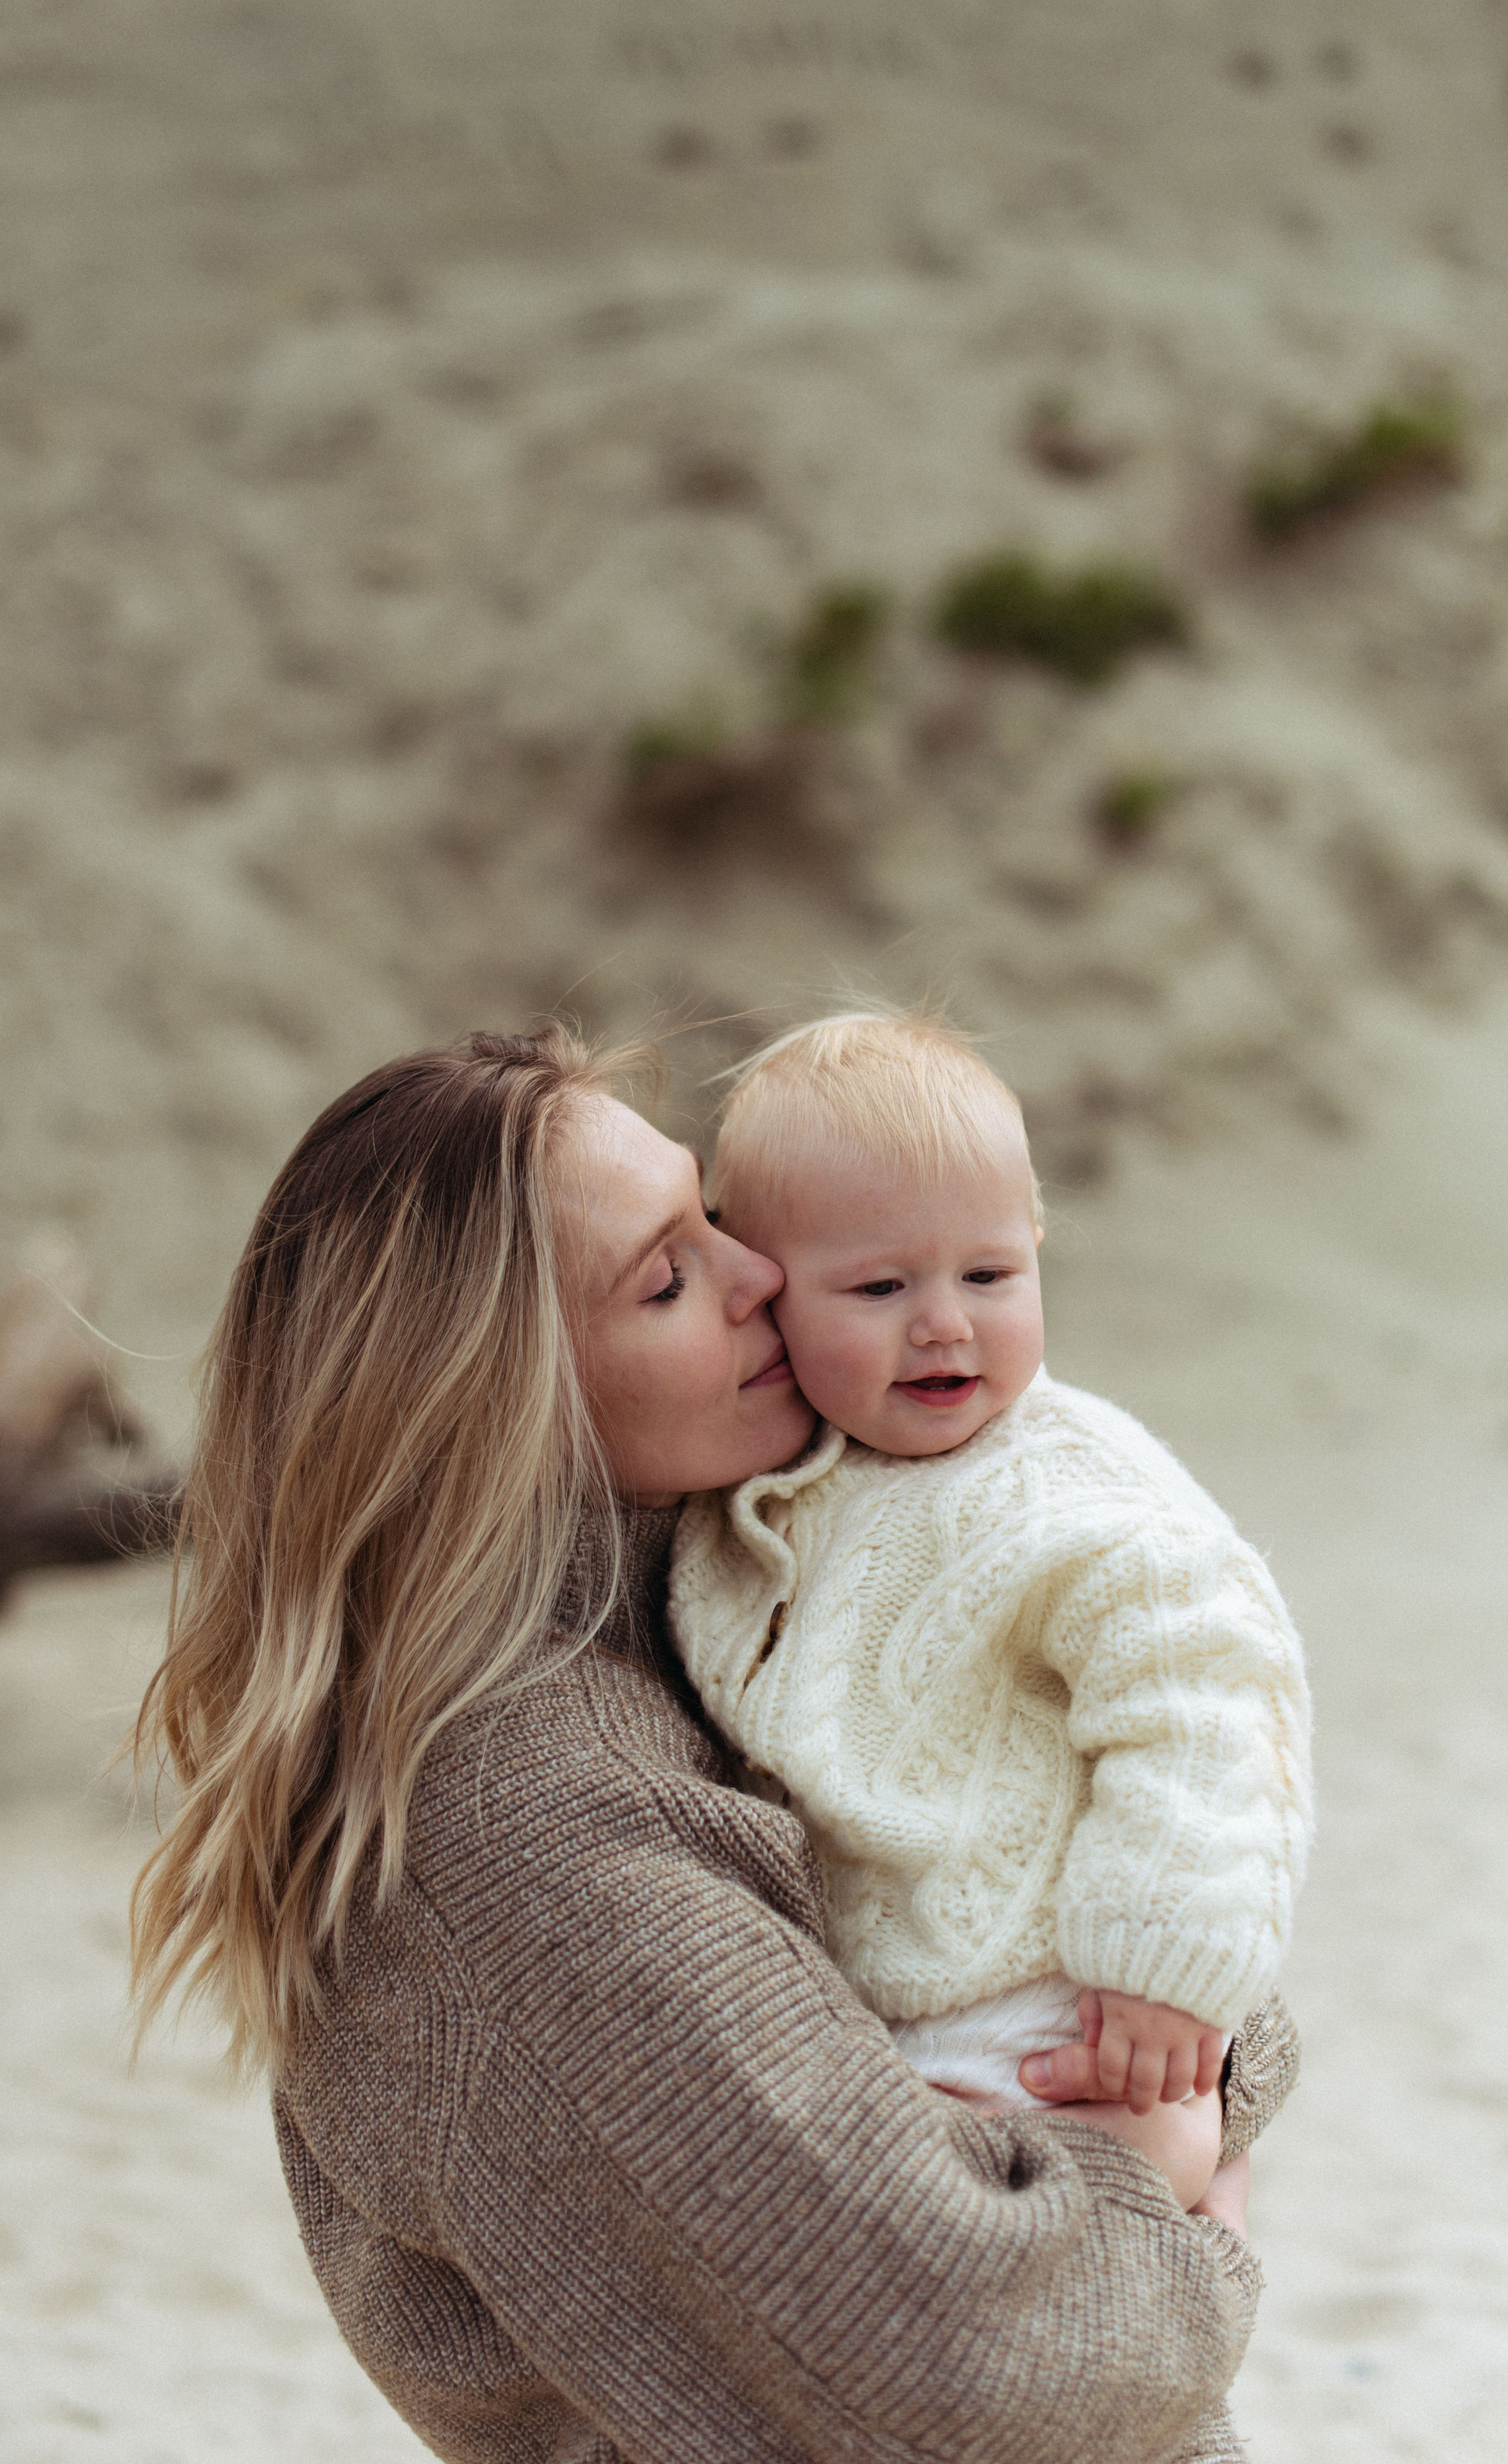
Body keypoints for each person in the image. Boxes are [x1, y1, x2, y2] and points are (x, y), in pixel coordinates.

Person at [130, 1025, 1298, 2464]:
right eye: (671, 1275)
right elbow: (981, 2368)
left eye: (716, 1219)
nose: (761, 1275)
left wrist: (1197, 2058)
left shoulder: (713, 1634)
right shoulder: (526, 1828)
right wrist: (1176, 2184)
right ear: (506, 1399)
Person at [671, 1012, 1312, 2191]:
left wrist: (1162, 1959)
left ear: (1037, 1247)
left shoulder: (1068, 1489)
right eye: (879, 1286)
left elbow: (1211, 1698)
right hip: (872, 2014)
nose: (944, 1323)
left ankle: (1178, 2168)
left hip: (1050, 1993)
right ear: (765, 1295)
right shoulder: (766, 1485)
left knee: (1130, 2151)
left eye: (990, 1274)